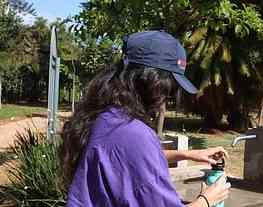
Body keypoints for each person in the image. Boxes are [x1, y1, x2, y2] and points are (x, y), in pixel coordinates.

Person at [60, 31, 231, 207]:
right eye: (169, 87)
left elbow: (127, 159)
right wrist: (207, 200)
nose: (169, 96)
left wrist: (187, 154)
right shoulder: (133, 133)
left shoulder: (109, 117)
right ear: (152, 81)